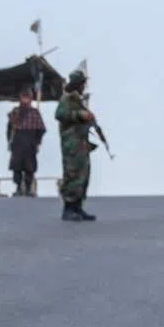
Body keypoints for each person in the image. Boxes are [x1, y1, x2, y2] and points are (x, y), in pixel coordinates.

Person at [56, 68, 98, 221]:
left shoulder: (77, 99)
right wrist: (79, 114)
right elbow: (59, 114)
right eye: (82, 84)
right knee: (72, 174)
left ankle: (78, 208)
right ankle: (68, 208)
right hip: (71, 144)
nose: (84, 86)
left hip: (81, 142)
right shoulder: (67, 98)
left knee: (83, 175)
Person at [6, 86, 46, 196]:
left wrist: (37, 142)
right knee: (17, 167)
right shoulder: (15, 112)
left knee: (29, 167)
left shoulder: (34, 113)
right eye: (23, 97)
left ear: (30, 98)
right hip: (18, 141)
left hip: (30, 142)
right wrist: (10, 141)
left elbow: (41, 129)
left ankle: (28, 188)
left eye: (27, 97)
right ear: (20, 98)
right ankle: (18, 188)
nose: (25, 100)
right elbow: (10, 129)